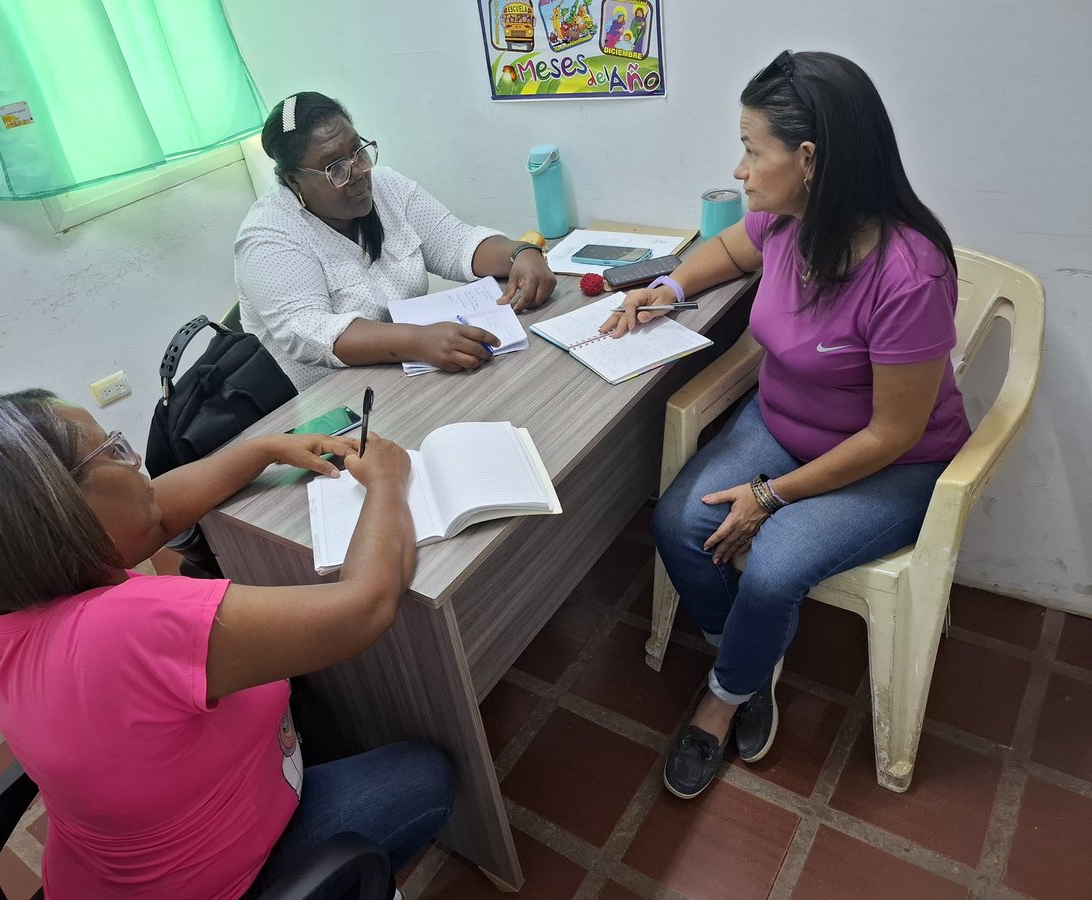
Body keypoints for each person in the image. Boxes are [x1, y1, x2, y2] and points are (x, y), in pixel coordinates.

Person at [0, 389, 452, 899]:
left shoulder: (5, 594)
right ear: (59, 511)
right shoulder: (129, 629)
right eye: (113, 451)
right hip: (214, 883)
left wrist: (263, 450)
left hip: (103, 877)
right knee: (423, 775)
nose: (137, 461)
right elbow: (365, 608)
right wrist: (387, 483)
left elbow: (155, 514)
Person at [604, 51, 971, 799]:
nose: (740, 169)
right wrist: (667, 286)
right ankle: (750, 660)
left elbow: (892, 433)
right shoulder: (787, 219)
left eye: (750, 147)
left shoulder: (910, 273)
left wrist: (771, 497)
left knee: (771, 567)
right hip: (781, 424)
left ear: (807, 158)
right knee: (678, 522)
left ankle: (723, 696)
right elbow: (734, 247)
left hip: (888, 463)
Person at [235, 91, 557, 389]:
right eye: (335, 168)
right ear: (295, 181)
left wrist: (520, 253)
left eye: (357, 151)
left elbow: (456, 242)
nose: (358, 172)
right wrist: (415, 341)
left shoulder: (387, 186)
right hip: (329, 406)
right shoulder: (269, 235)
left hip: (410, 377)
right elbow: (310, 333)